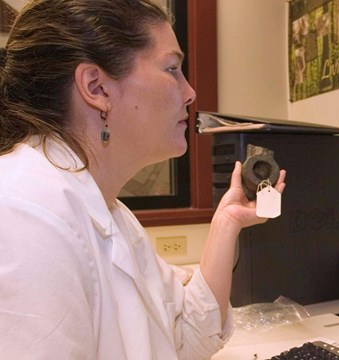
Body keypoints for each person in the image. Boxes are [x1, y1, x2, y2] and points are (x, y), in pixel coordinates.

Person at [0, 0, 285, 359]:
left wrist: (226, 223)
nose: (190, 92)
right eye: (172, 69)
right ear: (97, 88)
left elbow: (185, 336)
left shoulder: (113, 214)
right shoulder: (23, 215)